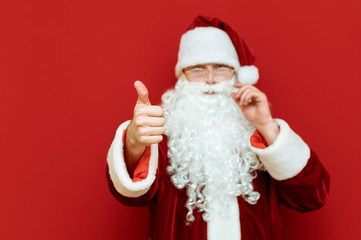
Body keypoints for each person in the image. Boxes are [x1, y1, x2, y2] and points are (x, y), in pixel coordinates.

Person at [106, 15, 330, 240]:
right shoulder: (163, 138)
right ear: (182, 77)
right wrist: (134, 141)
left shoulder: (261, 138)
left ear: (237, 75)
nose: (210, 79)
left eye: (221, 67)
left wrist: (267, 126)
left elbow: (312, 196)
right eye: (198, 69)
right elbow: (130, 196)